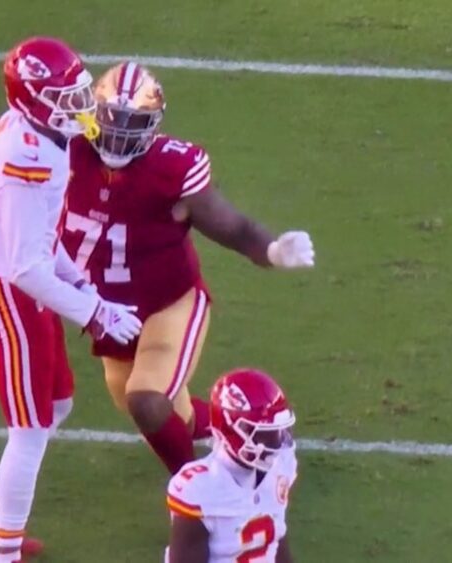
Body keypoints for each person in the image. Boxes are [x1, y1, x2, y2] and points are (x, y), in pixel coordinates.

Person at [60, 62, 315, 475]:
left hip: (168, 304)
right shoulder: (64, 144)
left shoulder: (172, 167)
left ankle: (193, 490)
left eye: (133, 122)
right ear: (93, 111)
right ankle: (256, 432)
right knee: (153, 409)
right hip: (105, 311)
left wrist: (269, 250)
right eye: (111, 118)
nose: (120, 132)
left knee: (147, 399)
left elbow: (229, 225)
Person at [0, 37, 143, 562]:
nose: (80, 108)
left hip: (27, 289)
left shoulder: (39, 134)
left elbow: (43, 238)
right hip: (10, 294)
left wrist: (82, 283)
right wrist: (96, 311)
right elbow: (24, 267)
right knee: (30, 428)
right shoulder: (27, 157)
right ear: (34, 103)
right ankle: (4, 549)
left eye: (78, 94)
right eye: (66, 99)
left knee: (57, 405)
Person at [165, 369, 298, 563]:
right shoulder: (200, 488)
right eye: (262, 433)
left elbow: (276, 537)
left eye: (276, 432)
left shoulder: (281, 466)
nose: (275, 443)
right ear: (230, 431)